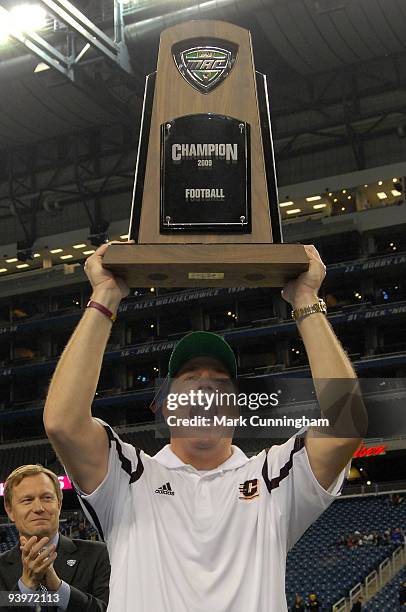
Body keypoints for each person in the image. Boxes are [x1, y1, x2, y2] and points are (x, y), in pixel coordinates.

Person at [43, 242, 364, 612]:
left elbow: (347, 421)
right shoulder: (127, 479)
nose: (205, 387)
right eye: (190, 379)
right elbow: (62, 422)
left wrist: (306, 300)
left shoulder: (273, 477)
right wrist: (105, 296)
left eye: (220, 383)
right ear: (166, 407)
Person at [0, 464, 110, 611]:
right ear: (10, 510)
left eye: (46, 498)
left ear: (59, 503)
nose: (39, 508)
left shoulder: (99, 555)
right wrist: (26, 588)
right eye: (27, 500)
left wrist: (59, 588)